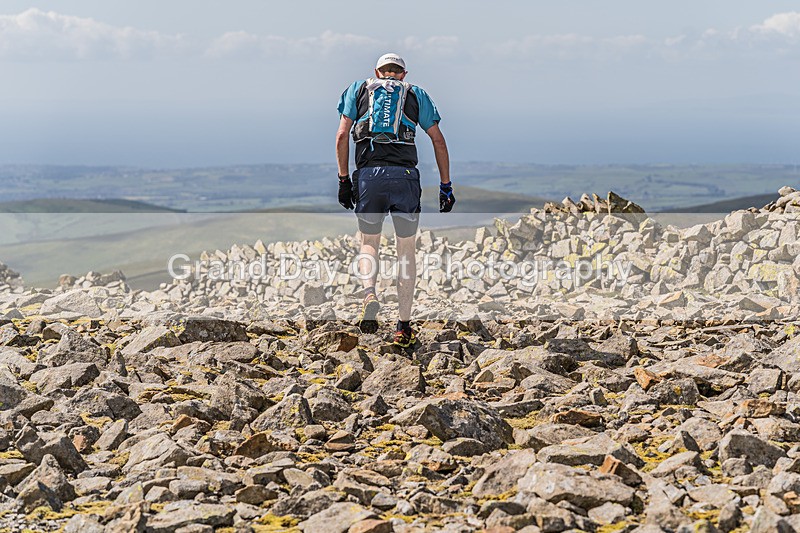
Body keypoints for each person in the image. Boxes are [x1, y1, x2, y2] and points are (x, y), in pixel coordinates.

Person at [336, 52, 455, 347]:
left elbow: (341, 136)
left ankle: (369, 294)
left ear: (377, 72)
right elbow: (438, 140)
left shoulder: (358, 89)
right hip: (405, 178)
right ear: (403, 74)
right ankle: (403, 326)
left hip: (369, 178)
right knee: (406, 251)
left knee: (369, 242)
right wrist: (445, 186)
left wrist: (343, 180)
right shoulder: (416, 94)